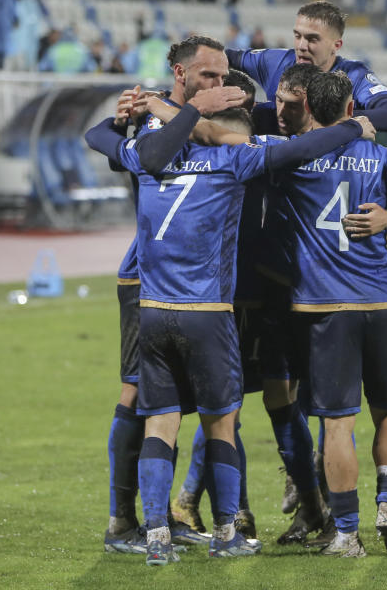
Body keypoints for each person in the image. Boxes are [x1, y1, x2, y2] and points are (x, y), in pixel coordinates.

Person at [86, 76, 376, 567]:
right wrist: (353, 127)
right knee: (222, 423)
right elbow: (302, 147)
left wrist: (146, 109)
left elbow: (100, 138)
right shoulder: (232, 160)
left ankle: (156, 533)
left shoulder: (145, 155)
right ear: (221, 132)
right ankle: (227, 531)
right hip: (209, 313)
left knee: (161, 420)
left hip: (154, 311)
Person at [264, 71, 387, 557]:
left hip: (324, 307)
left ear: (309, 106)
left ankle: (347, 532)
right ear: (354, 107)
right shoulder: (382, 157)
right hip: (382, 302)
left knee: (338, 425)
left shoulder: (292, 156)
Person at [98, 36, 247, 556]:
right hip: (148, 279)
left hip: (201, 284)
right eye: (208, 77)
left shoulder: (196, 111)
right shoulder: (157, 121)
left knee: (204, 404)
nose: (218, 86)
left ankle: (168, 516)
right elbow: (107, 138)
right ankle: (123, 521)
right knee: (141, 396)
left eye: (223, 75)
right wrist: (128, 120)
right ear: (181, 76)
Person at [225, 0, 387, 133]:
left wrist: (331, 115)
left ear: (336, 45)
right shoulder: (274, 61)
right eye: (298, 36)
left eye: (312, 39)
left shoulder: (353, 74)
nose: (301, 46)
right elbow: (223, 56)